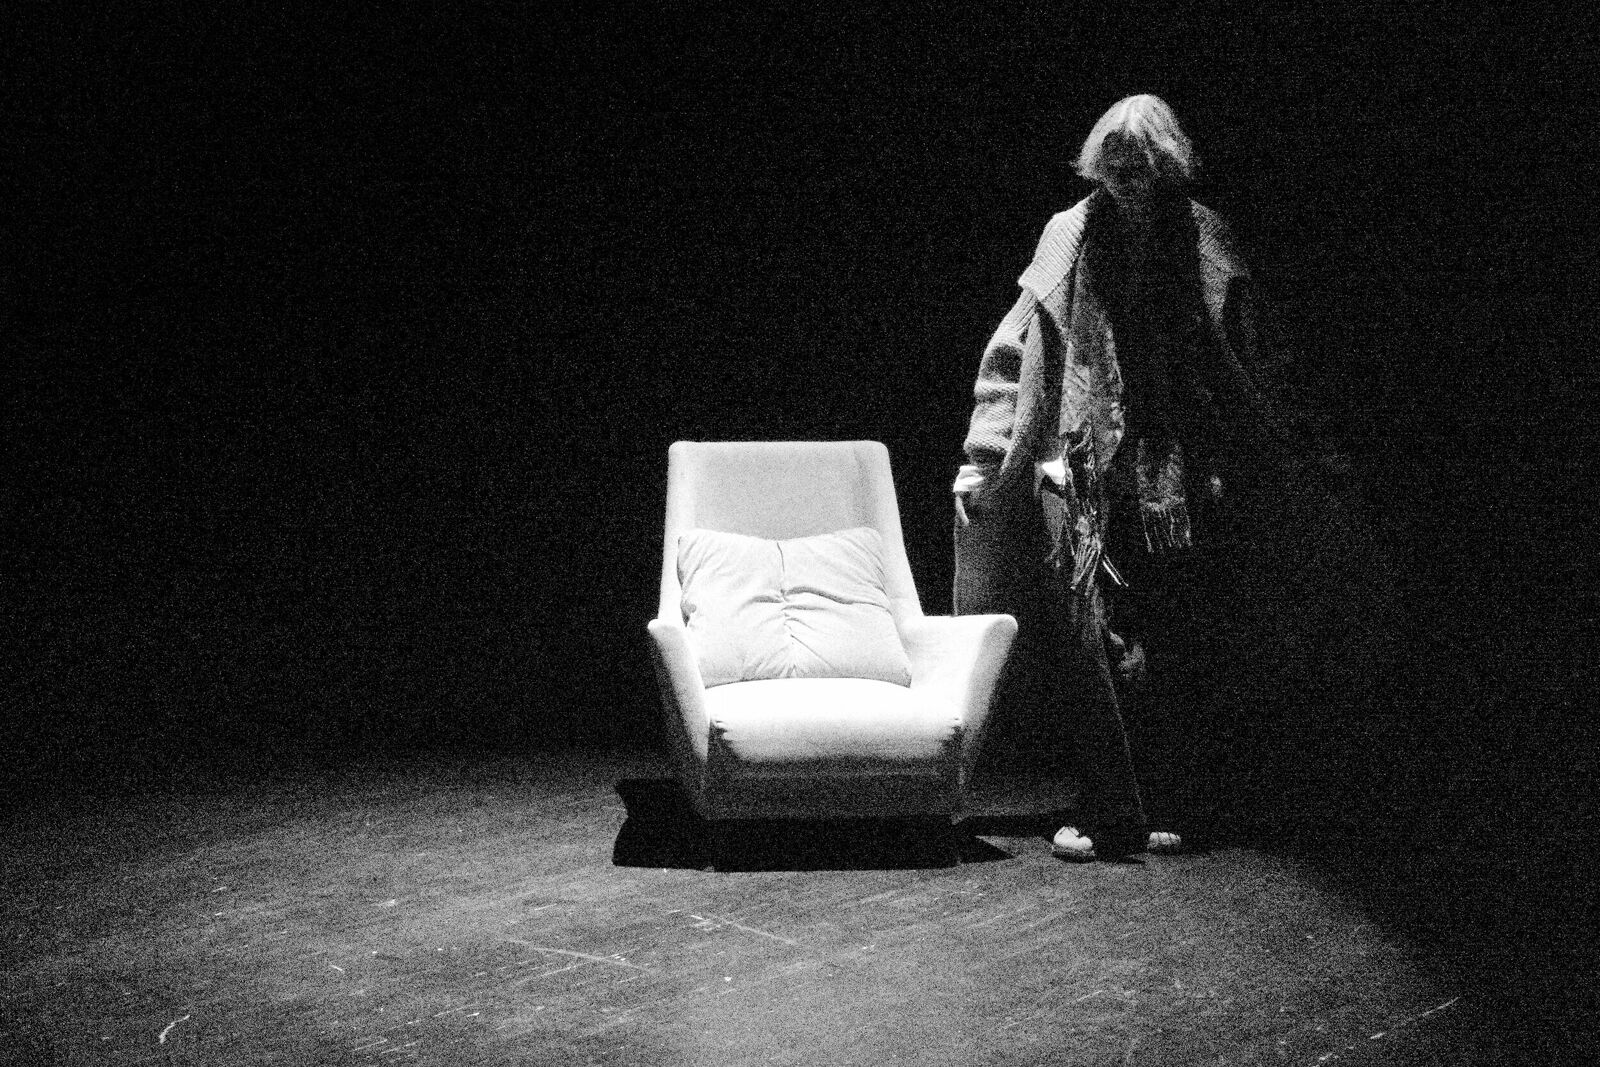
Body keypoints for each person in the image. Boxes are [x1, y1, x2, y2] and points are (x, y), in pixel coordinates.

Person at [953, 94, 1324, 861]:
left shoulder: (1204, 238)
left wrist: (1300, 451)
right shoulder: (1069, 235)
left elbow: (1258, 355)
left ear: (1167, 165)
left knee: (1174, 635)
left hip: (1176, 473)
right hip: (1079, 468)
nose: (1126, 175)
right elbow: (1013, 353)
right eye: (1114, 162)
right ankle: (1105, 807)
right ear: (1098, 163)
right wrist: (983, 461)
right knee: (1086, 636)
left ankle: (1168, 796)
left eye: (1141, 163)